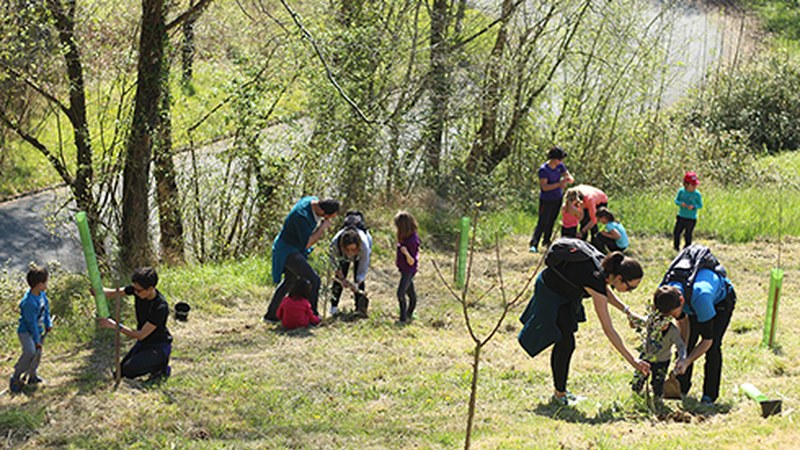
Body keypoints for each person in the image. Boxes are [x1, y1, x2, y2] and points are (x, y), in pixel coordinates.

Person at [518, 242, 650, 405]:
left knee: (566, 340)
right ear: (619, 278)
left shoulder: (607, 267)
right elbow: (608, 329)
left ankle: (561, 392)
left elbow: (604, 289)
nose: (630, 291)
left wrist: (627, 311)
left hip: (567, 293)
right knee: (565, 341)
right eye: (630, 288)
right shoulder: (595, 278)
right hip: (551, 291)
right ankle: (560, 395)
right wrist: (633, 361)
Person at [657, 269, 735, 404]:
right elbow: (682, 321)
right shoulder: (664, 293)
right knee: (688, 342)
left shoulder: (701, 298)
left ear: (681, 301)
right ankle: (680, 388)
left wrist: (687, 361)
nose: (672, 318)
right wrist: (683, 353)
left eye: (673, 314)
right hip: (691, 300)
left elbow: (707, 340)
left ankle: (709, 396)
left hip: (720, 302)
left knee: (713, 347)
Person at [264, 197, 340, 322]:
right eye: (330, 217)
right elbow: (307, 243)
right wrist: (322, 227)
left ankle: (271, 315)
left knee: (290, 280)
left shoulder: (313, 200)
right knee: (314, 280)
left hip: (293, 247)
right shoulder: (302, 216)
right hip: (287, 250)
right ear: (324, 213)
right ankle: (313, 317)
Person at [96, 267, 173, 381]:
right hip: (143, 344)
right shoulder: (137, 290)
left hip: (158, 346)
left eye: (138, 290)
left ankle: (161, 366)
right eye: (134, 289)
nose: (135, 292)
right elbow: (112, 293)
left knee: (129, 371)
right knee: (120, 372)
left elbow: (140, 334)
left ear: (151, 288)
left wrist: (115, 326)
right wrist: (98, 291)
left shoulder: (160, 307)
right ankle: (146, 361)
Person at [630, 288, 687, 397]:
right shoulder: (650, 323)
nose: (661, 325)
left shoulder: (673, 331)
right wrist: (633, 320)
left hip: (663, 360)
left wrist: (682, 357)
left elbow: (680, 345)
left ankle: (657, 397)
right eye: (659, 321)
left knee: (658, 381)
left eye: (665, 322)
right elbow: (638, 321)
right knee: (639, 377)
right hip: (646, 356)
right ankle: (636, 395)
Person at [9, 265, 52, 393]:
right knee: (30, 352)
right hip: (26, 332)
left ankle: (32, 376)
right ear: (39, 284)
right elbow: (31, 323)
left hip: (37, 330)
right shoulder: (29, 302)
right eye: (45, 282)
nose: (47, 284)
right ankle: (16, 377)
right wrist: (37, 340)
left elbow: (46, 311)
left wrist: (48, 323)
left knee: (37, 354)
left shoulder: (42, 295)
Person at [529, 146, 574, 253]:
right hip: (546, 199)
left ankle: (546, 240)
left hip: (557, 198)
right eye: (560, 159)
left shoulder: (560, 166)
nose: (561, 161)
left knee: (552, 220)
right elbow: (544, 187)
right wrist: (560, 184)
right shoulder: (544, 170)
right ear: (554, 158)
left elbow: (569, 176)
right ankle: (534, 243)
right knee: (542, 221)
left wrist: (568, 179)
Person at [329, 211, 372, 317]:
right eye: (348, 250)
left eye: (353, 249)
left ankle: (360, 309)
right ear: (343, 246)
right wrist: (342, 278)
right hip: (341, 255)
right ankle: (333, 308)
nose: (350, 253)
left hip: (361, 255)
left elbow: (363, 267)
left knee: (359, 281)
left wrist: (357, 283)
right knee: (338, 279)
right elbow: (333, 263)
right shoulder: (335, 244)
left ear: (358, 246)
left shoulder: (364, 246)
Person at [394, 211, 420, 323]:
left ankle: (403, 318)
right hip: (404, 269)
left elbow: (411, 261)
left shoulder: (413, 240)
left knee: (400, 293)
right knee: (411, 293)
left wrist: (405, 252)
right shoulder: (405, 236)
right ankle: (410, 313)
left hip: (408, 270)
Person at [673, 171, 703, 251]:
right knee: (677, 232)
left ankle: (687, 249)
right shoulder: (681, 191)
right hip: (681, 216)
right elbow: (676, 201)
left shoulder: (697, 194)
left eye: (695, 185)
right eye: (692, 185)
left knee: (688, 234)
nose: (694, 187)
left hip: (691, 218)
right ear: (686, 184)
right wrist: (680, 203)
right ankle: (676, 247)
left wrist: (694, 207)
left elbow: (700, 205)